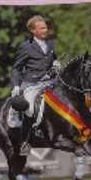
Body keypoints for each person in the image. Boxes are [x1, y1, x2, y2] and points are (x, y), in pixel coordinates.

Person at [7, 15, 60, 148]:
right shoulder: (26, 47)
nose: (45, 30)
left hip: (50, 82)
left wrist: (56, 64)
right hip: (32, 84)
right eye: (41, 28)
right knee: (30, 109)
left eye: (45, 27)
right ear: (32, 30)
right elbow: (16, 68)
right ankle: (24, 141)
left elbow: (53, 59)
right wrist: (16, 86)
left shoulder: (50, 43)